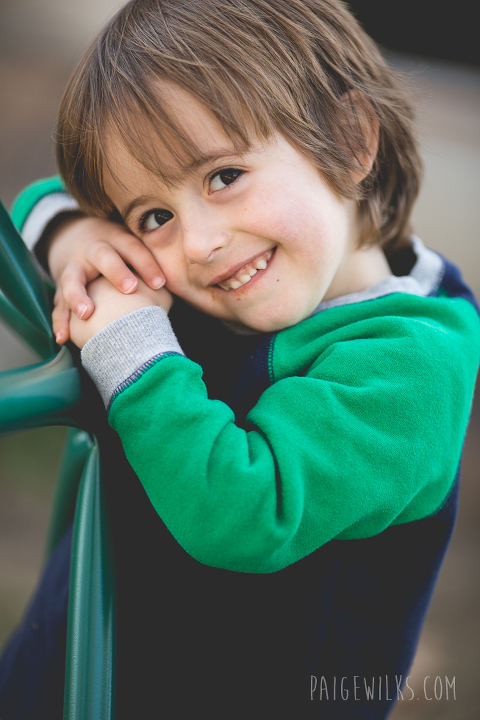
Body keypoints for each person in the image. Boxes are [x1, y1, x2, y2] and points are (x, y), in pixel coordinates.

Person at [1, 0, 479, 717]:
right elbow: (40, 204)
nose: (195, 243)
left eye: (223, 176)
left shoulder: (410, 364)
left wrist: (130, 346)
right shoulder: (245, 268)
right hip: (74, 664)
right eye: (152, 216)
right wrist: (79, 242)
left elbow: (246, 511)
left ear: (349, 142)